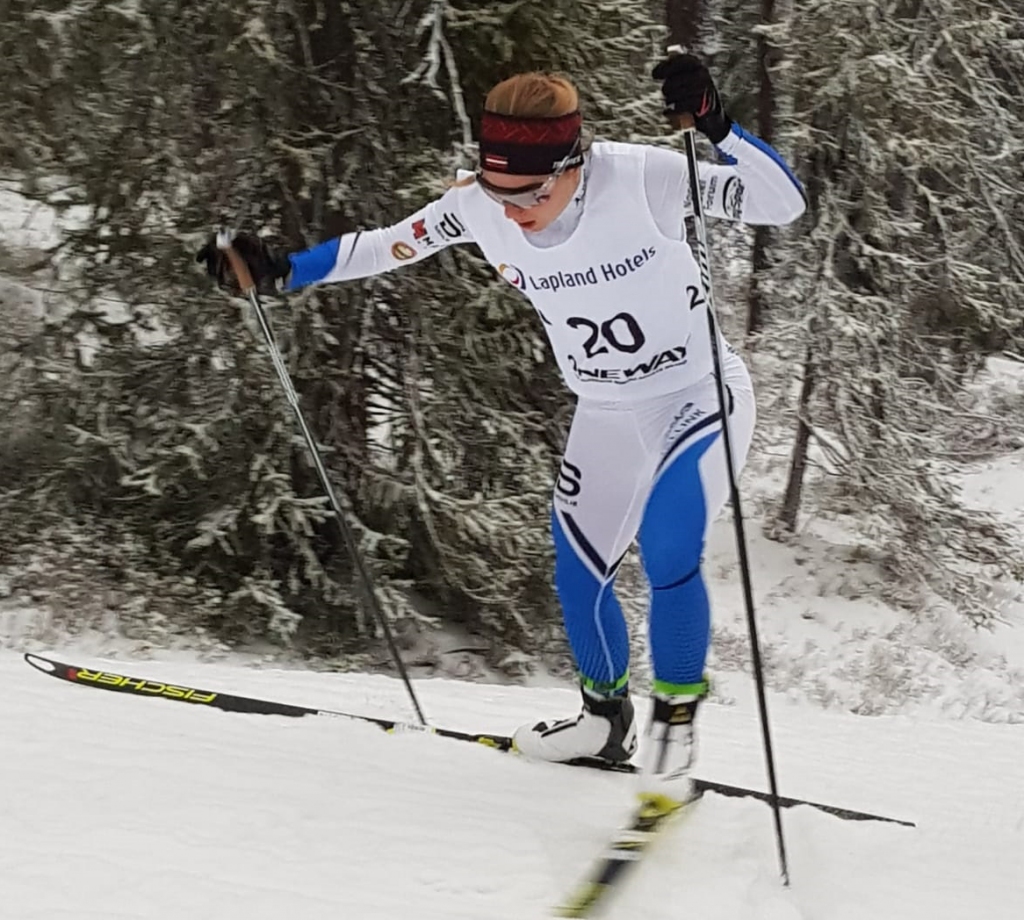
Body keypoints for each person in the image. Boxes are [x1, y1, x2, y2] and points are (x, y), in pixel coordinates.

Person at [198, 54, 806, 804]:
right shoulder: (482, 202)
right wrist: (284, 270)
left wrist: (717, 123)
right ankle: (604, 719)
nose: (512, 213)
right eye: (498, 192)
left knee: (670, 540)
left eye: (530, 195)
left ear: (573, 163)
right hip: (605, 409)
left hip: (696, 396)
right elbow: (387, 243)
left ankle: (675, 715)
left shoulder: (645, 175)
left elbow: (783, 204)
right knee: (579, 569)